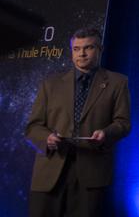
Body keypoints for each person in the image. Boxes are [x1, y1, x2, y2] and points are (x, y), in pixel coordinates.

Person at [24, 27, 132, 217]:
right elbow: (33, 127)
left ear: (100, 49)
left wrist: (106, 134)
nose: (81, 53)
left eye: (88, 48)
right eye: (76, 49)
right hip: (50, 171)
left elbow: (123, 123)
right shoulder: (50, 84)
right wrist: (47, 138)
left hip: (91, 172)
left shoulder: (117, 82)